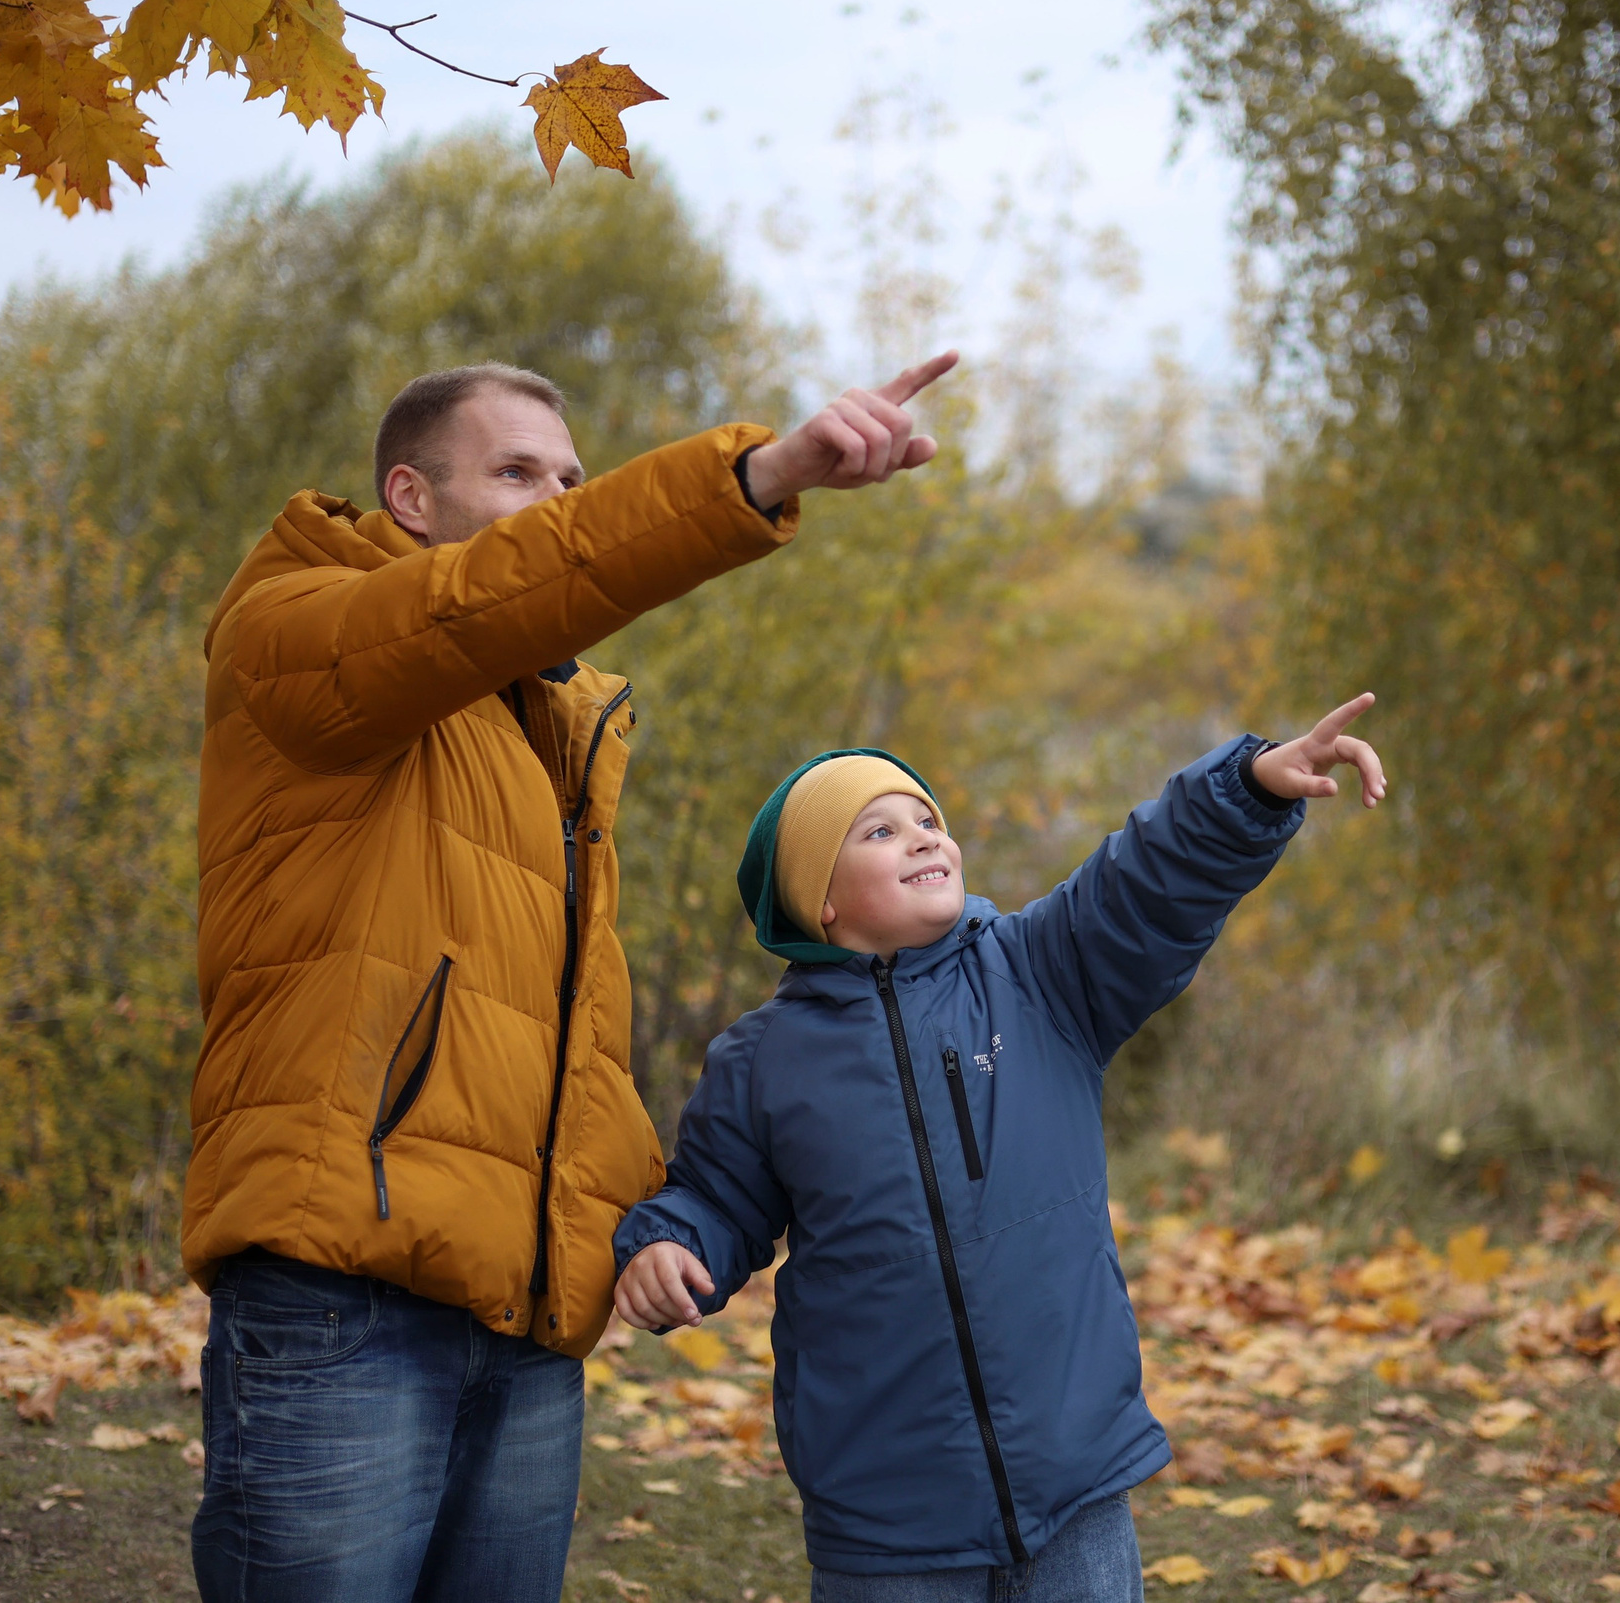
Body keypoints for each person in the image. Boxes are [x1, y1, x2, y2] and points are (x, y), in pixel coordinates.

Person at [184, 350, 958, 1603]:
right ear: (410, 499)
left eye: (571, 477)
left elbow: (554, 1032)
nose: (555, 499)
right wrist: (754, 477)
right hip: (346, 1296)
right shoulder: (297, 639)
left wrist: (641, 1225)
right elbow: (485, 599)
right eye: (515, 471)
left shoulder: (548, 729)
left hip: (530, 1316)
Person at [609, 695, 1389, 1601]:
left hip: (1073, 1470)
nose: (922, 837)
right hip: (885, 1506)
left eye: (929, 819)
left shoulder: (1042, 973)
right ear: (817, 898)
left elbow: (1143, 885)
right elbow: (717, 1194)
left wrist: (1244, 791)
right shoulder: (761, 1060)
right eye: (880, 829)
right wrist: (670, 1244)